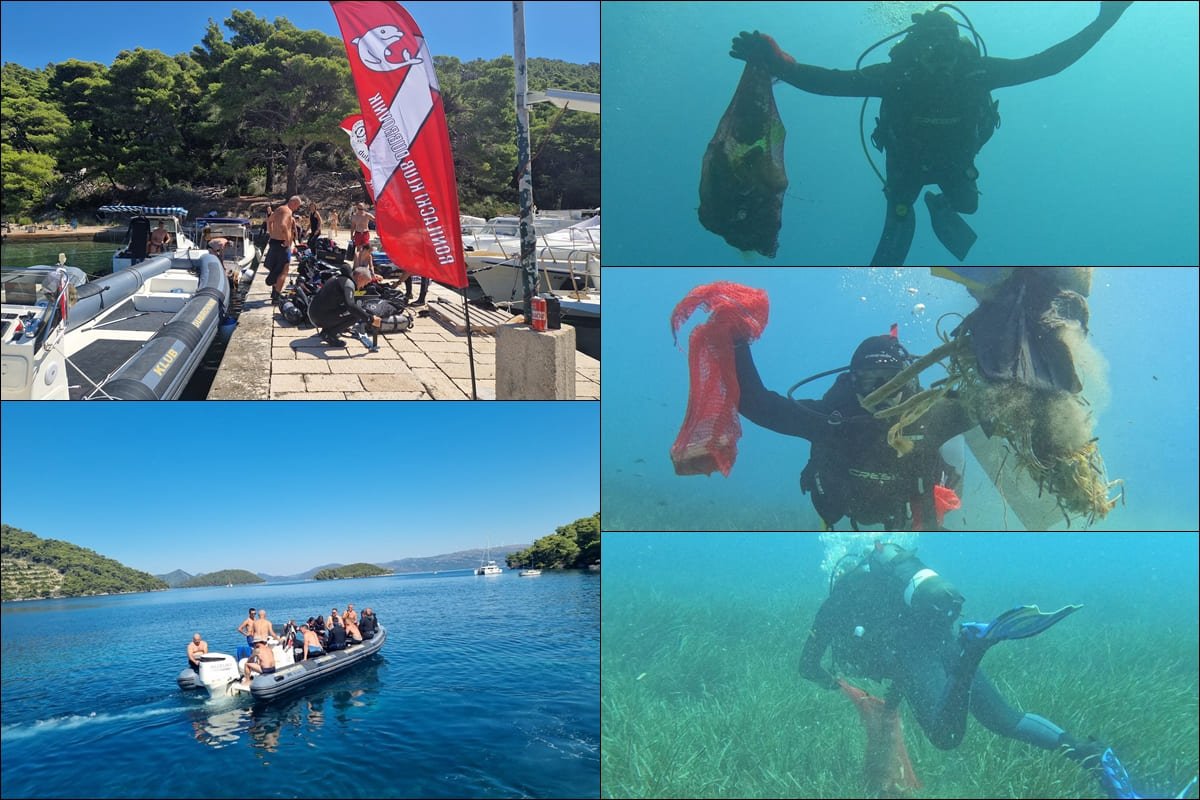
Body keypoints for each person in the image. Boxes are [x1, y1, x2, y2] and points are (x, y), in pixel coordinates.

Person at [729, 2, 1133, 265]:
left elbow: (1047, 63)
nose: (939, 60)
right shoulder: (896, 77)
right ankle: (911, 212)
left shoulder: (980, 74)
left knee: (967, 206)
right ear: (916, 50)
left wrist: (1103, 21)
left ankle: (938, 206)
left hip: (956, 162)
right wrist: (777, 61)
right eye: (930, 50)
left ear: (959, 49)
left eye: (946, 50)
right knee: (899, 215)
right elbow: (829, 82)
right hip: (905, 161)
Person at [804, 540, 1139, 799]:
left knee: (945, 736)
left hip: (915, 654)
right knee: (1005, 720)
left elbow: (808, 665)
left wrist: (831, 682)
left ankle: (974, 651)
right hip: (945, 640)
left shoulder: (841, 597)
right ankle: (1090, 753)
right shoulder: (894, 583)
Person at [735, 325, 973, 531]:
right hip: (840, 507)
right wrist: (736, 339)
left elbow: (988, 405)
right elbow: (756, 404)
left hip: (908, 511)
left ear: (906, 378)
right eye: (868, 381)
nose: (881, 393)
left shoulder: (929, 416)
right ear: (852, 382)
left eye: (891, 381)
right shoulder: (830, 420)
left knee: (952, 446)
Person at [307, 266, 382, 347]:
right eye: (365, 283)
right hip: (319, 317)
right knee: (355, 315)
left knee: (356, 310)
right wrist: (370, 319)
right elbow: (351, 306)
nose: (363, 286)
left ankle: (328, 330)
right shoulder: (349, 284)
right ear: (360, 277)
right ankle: (329, 335)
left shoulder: (342, 277)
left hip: (315, 312)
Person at [263, 196, 301, 304]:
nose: (297, 208)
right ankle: (276, 296)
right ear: (293, 202)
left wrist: (271, 233)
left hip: (274, 242)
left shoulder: (279, 209)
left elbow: (269, 220)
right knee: (285, 270)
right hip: (282, 244)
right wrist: (288, 240)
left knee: (276, 269)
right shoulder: (287, 211)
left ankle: (274, 290)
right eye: (297, 206)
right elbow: (284, 225)